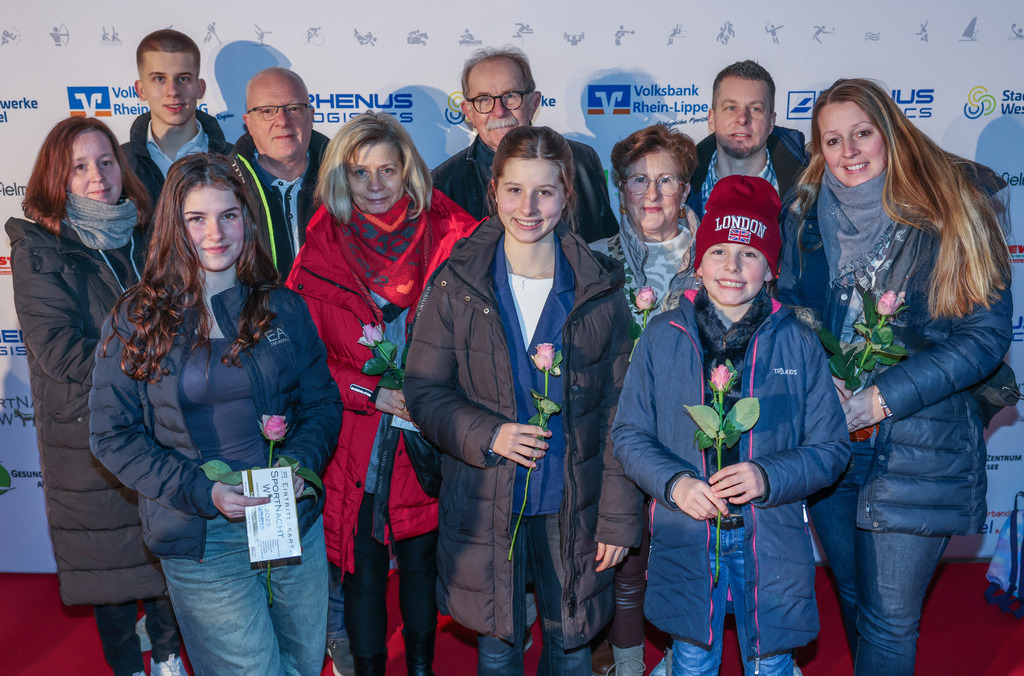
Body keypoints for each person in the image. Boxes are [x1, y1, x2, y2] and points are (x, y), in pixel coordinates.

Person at [776, 78, 1012, 675]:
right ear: (817, 149)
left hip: (919, 443)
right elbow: (784, 309)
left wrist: (883, 397)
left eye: (862, 133)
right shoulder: (803, 216)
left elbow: (984, 338)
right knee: (855, 602)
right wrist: (811, 372)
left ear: (892, 133)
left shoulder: (954, 209)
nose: (849, 151)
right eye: (832, 140)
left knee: (888, 620)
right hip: (832, 444)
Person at [89, 153, 341, 676]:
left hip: (287, 520)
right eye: (197, 218)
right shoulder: (137, 317)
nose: (215, 233)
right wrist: (205, 493)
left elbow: (320, 403)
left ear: (247, 219)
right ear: (173, 227)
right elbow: (112, 434)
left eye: (228, 215)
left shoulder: (282, 306)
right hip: (201, 535)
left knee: (300, 663)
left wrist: (296, 467)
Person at [405, 125, 643, 675]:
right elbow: (423, 391)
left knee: (573, 647)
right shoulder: (457, 283)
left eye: (546, 191)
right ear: (493, 190)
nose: (529, 208)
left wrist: (616, 519)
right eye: (515, 190)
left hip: (574, 507)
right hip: (488, 502)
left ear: (567, 195)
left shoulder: (600, 289)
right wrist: (489, 433)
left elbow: (619, 416)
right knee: (498, 649)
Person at [613, 175, 851, 675]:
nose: (732, 266)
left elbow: (830, 448)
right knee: (693, 659)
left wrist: (767, 476)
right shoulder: (662, 336)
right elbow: (629, 435)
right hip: (686, 535)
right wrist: (675, 484)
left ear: (771, 268)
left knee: (771, 663)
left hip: (772, 538)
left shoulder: (800, 343)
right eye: (719, 251)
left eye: (749, 253)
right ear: (697, 263)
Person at [285, 111, 477, 676]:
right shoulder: (320, 242)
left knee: (421, 565)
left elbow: (480, 340)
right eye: (359, 172)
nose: (373, 186)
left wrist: (434, 393)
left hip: (430, 435)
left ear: (409, 172)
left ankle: (419, 668)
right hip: (357, 438)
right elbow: (304, 358)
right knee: (363, 572)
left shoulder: (454, 234)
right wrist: (369, 391)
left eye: (386, 171)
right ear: (340, 177)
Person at [7, 116, 184, 676]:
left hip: (164, 422)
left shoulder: (149, 230)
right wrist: (153, 361)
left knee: (165, 552)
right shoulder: (40, 246)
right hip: (87, 430)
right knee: (108, 567)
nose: (97, 177)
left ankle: (171, 659)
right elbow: (58, 350)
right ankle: (130, 667)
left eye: (105, 161)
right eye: (80, 166)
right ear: (57, 176)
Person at [587, 123, 699, 675]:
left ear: (686, 189)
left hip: (695, 435)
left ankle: (684, 660)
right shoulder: (591, 258)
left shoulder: (722, 258)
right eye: (638, 180)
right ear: (620, 189)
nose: (652, 194)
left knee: (690, 561)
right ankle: (629, 668)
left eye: (667, 180)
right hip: (617, 438)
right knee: (625, 566)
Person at [432, 46, 618, 242]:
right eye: (484, 99)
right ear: (468, 112)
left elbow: (605, 247)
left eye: (510, 96)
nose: (499, 111)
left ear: (534, 103)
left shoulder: (581, 161)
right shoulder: (443, 185)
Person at [231, 67, 330, 279]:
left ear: (311, 116)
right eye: (267, 111)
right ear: (248, 123)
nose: (283, 121)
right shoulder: (224, 188)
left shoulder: (347, 183)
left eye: (294, 108)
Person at [686, 60, 809, 219]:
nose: (742, 119)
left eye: (754, 108)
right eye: (731, 108)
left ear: (771, 122)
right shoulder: (679, 186)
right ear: (711, 119)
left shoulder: (810, 186)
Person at [123, 29, 232, 204]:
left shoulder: (235, 162)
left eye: (183, 79)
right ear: (141, 90)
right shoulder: (118, 165)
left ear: (199, 88)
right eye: (159, 79)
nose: (173, 92)